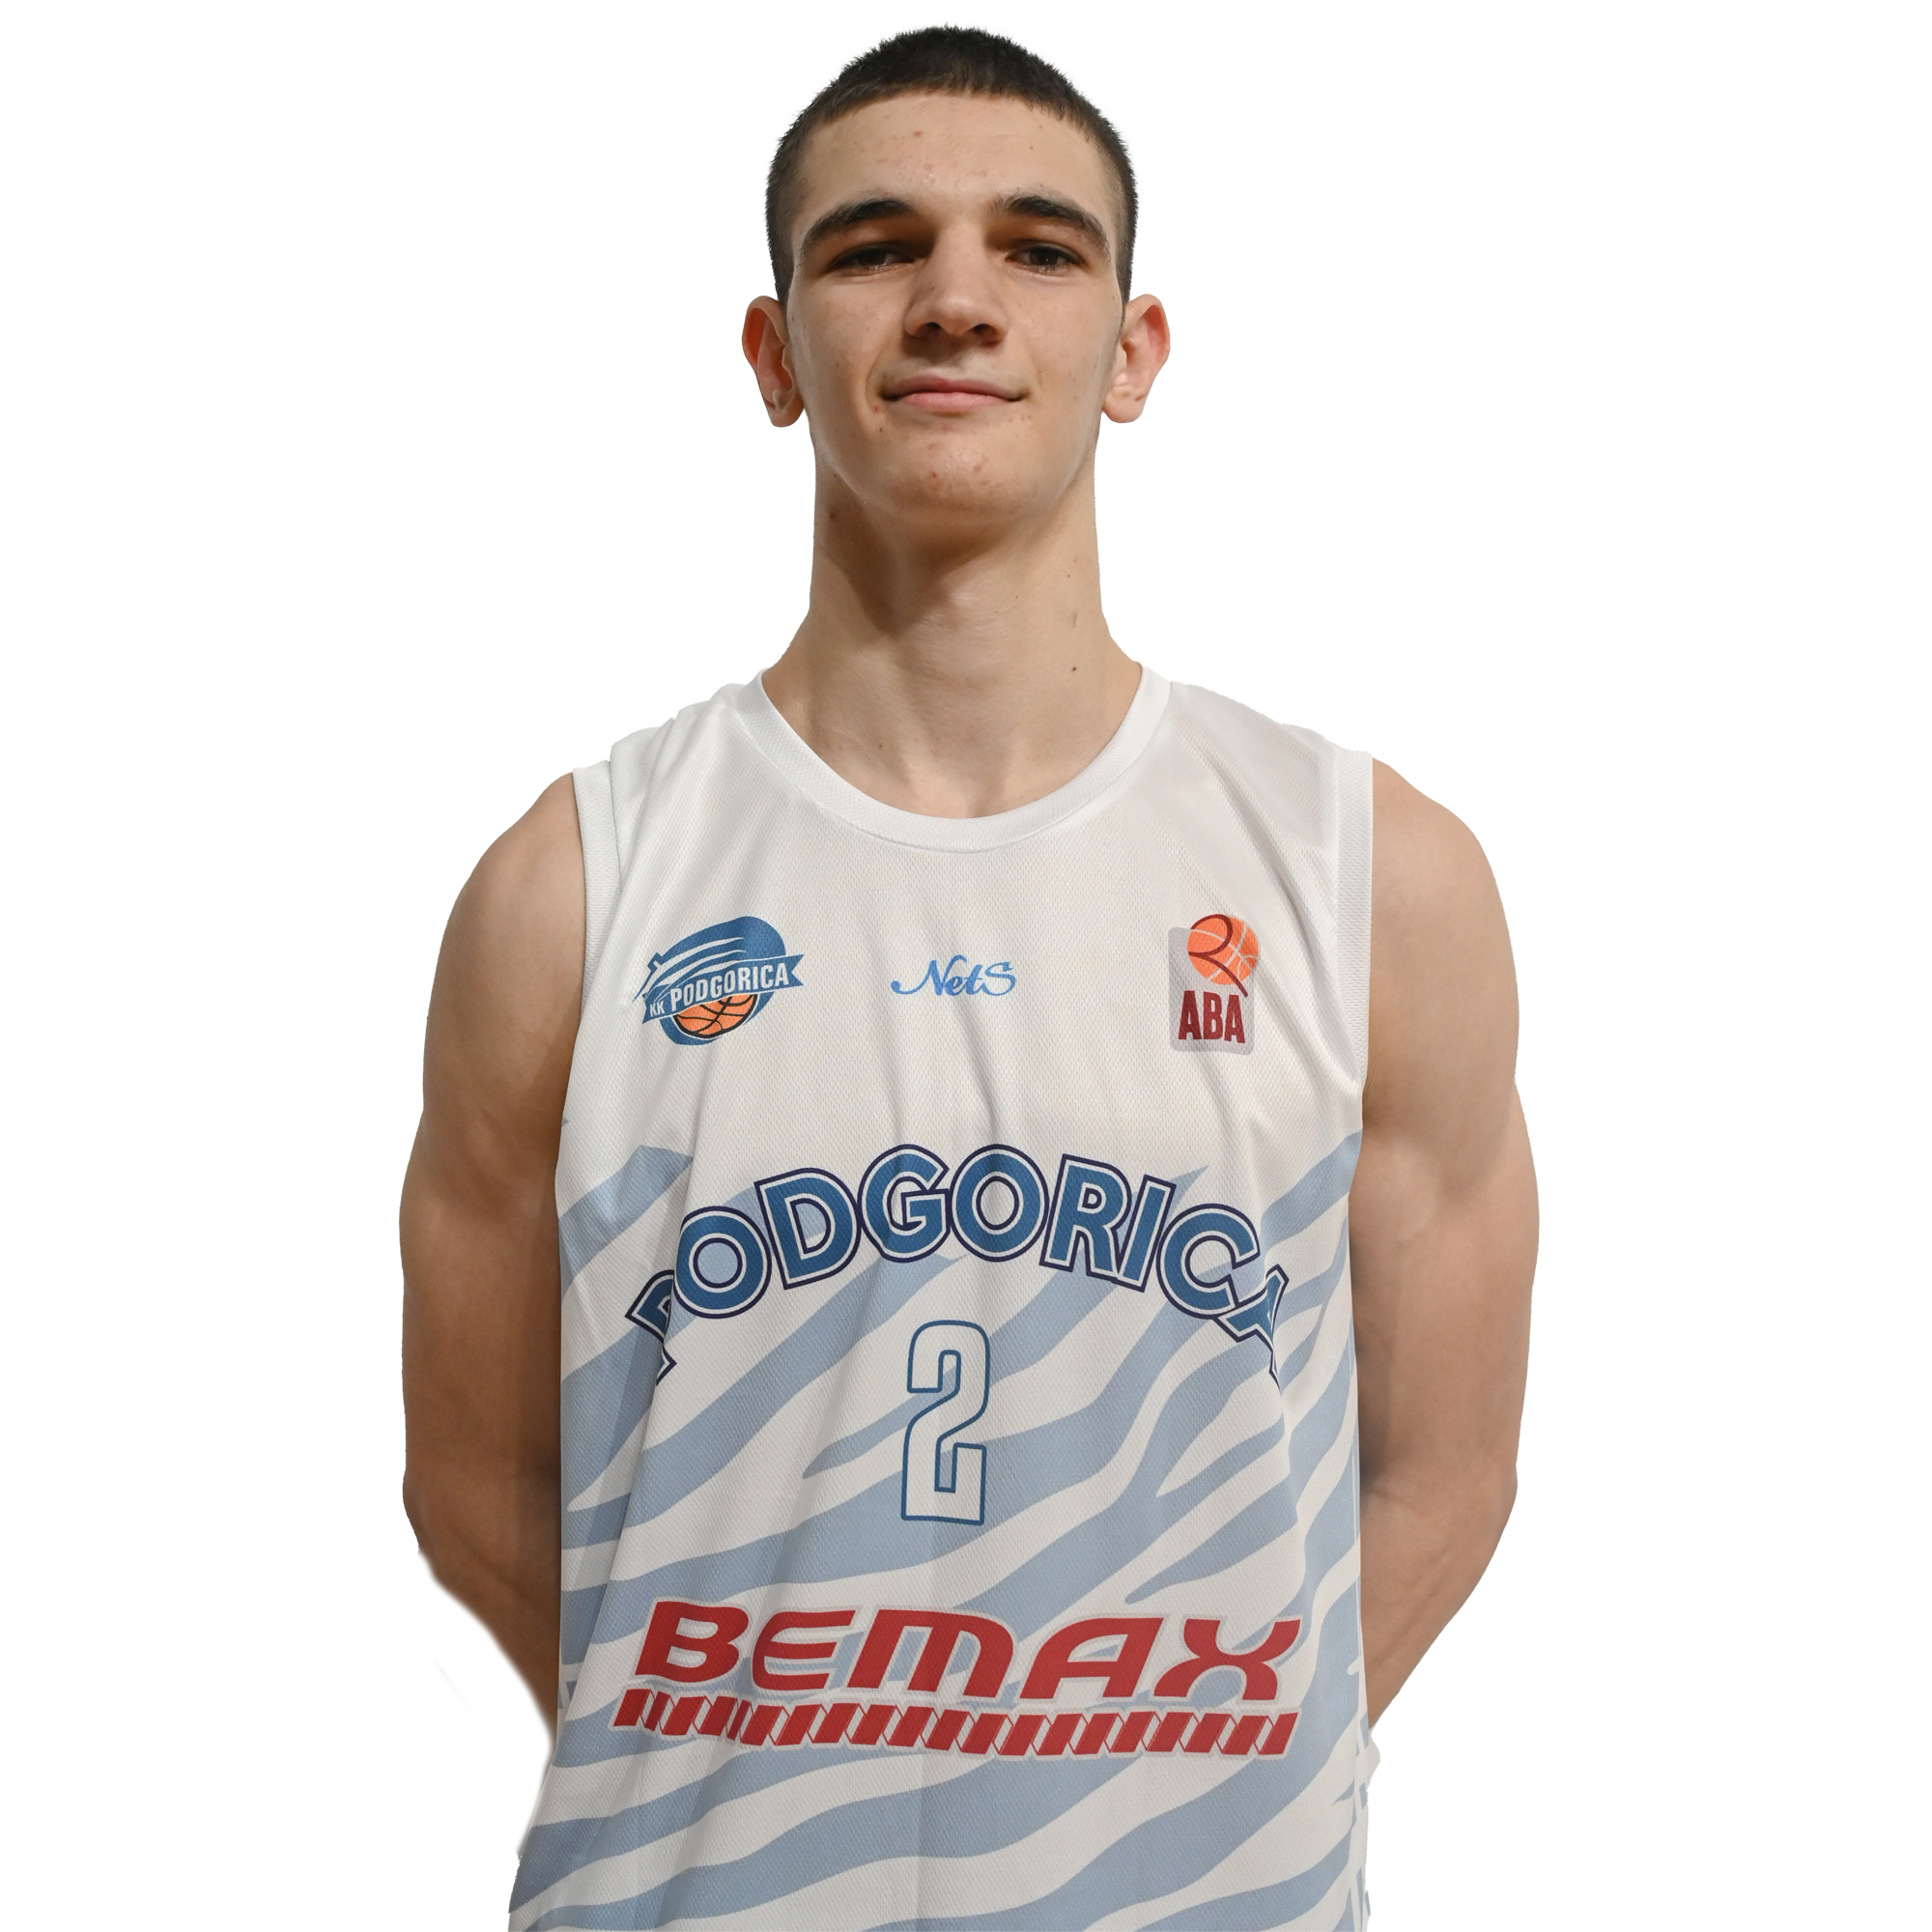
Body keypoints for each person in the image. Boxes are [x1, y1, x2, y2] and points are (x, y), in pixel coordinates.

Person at [402, 24, 1536, 1930]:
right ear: (775, 353)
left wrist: (1182, 1794)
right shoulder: (572, 889)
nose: (954, 298)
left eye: (1037, 245)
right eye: (873, 247)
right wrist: (740, 1770)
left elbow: (1446, 1470)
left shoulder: (1367, 876)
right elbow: (474, 1484)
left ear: (1133, 349)